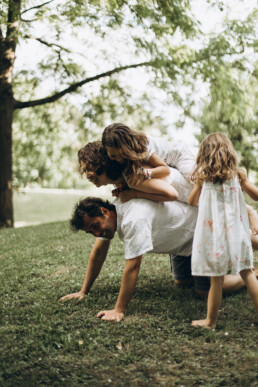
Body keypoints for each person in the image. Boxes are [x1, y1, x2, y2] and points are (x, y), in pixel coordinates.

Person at [60, 196, 255, 322]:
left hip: (201, 230)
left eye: (95, 226)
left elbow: (133, 266)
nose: (97, 233)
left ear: (104, 211)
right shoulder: (113, 213)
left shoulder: (132, 218)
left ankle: (253, 273)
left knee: (204, 289)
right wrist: (83, 291)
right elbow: (98, 253)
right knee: (182, 281)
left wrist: (118, 309)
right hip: (180, 241)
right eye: (91, 231)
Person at [188, 133, 258, 329]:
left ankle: (210, 322)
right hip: (238, 235)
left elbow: (192, 201)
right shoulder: (238, 176)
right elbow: (256, 196)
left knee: (216, 280)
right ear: (229, 152)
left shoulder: (203, 178)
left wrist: (197, 186)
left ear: (205, 154)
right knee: (248, 274)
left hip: (213, 237)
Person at [101, 123, 196, 202]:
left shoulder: (143, 147)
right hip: (168, 162)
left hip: (179, 156)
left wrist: (146, 173)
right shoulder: (126, 159)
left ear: (127, 147)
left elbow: (165, 170)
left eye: (122, 154)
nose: (119, 159)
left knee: (193, 178)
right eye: (113, 156)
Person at [79, 141, 193, 203]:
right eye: (85, 171)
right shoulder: (124, 179)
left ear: (102, 164)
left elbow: (172, 194)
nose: (87, 175)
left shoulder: (133, 177)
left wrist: (135, 194)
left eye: (89, 169)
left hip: (193, 192)